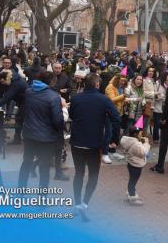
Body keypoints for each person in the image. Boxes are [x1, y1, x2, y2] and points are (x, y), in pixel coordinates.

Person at [69, 73, 121, 221]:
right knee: (93, 175)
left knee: (79, 173)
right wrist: (105, 122)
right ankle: (84, 203)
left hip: (77, 142)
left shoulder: (76, 98)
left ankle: (77, 203)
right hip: (94, 144)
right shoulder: (103, 99)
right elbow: (116, 118)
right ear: (97, 85)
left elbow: (72, 115)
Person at [18, 71, 64, 188]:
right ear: (52, 81)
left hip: (29, 134)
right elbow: (57, 120)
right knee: (44, 168)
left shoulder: (28, 92)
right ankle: (42, 198)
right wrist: (59, 131)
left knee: (26, 163)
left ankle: (20, 191)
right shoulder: (54, 97)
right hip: (46, 137)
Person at [0, 69, 28, 144]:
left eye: (2, 82)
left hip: (26, 102)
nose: (2, 84)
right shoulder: (13, 80)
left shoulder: (15, 83)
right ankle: (18, 139)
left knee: (20, 119)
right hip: (23, 101)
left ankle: (19, 140)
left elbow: (7, 97)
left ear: (6, 79)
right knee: (19, 119)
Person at [120, 126, 151, 206]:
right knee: (133, 181)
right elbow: (143, 153)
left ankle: (130, 193)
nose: (140, 135)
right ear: (135, 134)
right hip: (136, 165)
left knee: (132, 180)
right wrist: (146, 143)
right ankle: (132, 197)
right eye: (139, 133)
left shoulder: (128, 140)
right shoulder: (135, 144)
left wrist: (140, 142)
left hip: (131, 163)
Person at [152, 73, 168, 143]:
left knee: (163, 123)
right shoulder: (158, 84)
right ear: (165, 78)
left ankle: (162, 137)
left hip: (164, 108)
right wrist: (161, 96)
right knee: (156, 123)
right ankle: (155, 138)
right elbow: (155, 94)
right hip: (157, 106)